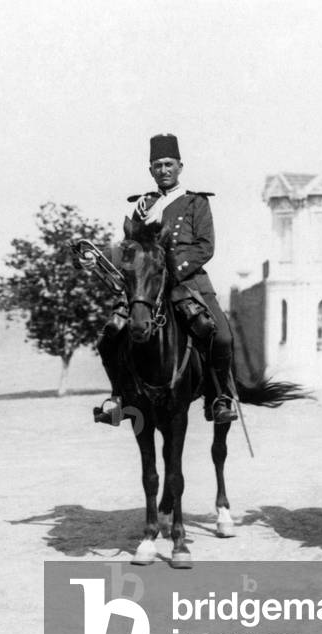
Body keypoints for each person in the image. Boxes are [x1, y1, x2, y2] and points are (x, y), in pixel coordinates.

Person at [94, 133, 238, 426]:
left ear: (180, 166)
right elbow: (130, 248)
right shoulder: (142, 206)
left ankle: (218, 398)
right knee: (109, 336)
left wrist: (173, 271)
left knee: (221, 336)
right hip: (148, 287)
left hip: (189, 282)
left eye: (169, 164)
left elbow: (205, 247)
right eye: (157, 165)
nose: (163, 170)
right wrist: (99, 259)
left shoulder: (195, 202)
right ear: (151, 170)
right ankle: (118, 398)